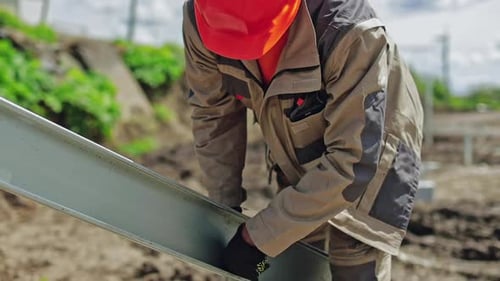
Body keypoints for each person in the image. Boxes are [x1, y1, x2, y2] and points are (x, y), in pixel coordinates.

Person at [182, 0, 423, 280]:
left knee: (353, 254)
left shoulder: (350, 31)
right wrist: (225, 211)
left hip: (370, 140)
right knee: (297, 251)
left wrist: (256, 239)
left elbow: (353, 162)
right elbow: (214, 114)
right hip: (298, 130)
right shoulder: (202, 16)